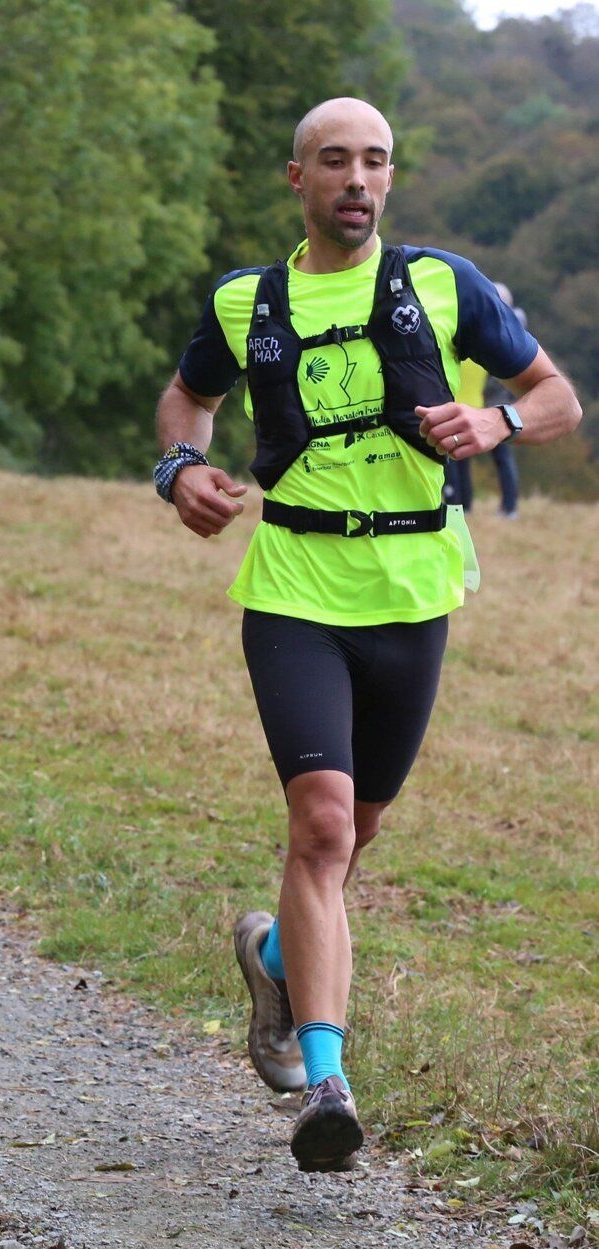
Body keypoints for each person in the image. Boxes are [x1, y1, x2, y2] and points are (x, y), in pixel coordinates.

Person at [153, 98, 580, 1174]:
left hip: (413, 591)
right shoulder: (247, 299)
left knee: (357, 834)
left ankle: (273, 956)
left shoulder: (446, 284)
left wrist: (498, 419)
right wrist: (180, 469)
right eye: (335, 159)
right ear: (297, 178)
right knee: (324, 825)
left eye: (375, 161)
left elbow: (557, 396)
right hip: (295, 588)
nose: (357, 177)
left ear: (391, 178)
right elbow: (187, 398)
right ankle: (326, 1080)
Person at [445, 282, 526, 518]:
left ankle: (507, 507)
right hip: (486, 401)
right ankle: (479, 506)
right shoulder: (499, 330)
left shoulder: (505, 334)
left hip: (495, 403)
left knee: (499, 457)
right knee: (469, 456)